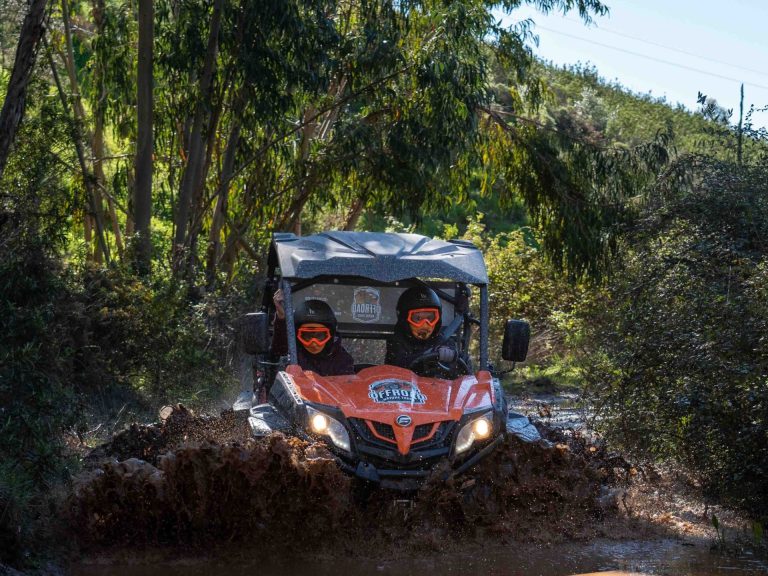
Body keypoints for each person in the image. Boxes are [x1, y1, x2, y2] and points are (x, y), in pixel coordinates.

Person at [385, 286, 470, 378]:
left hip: (438, 390)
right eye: (418, 318)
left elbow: (465, 372)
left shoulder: (445, 342)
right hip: (406, 390)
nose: (425, 324)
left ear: (438, 319)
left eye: (430, 318)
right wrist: (429, 354)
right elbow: (397, 366)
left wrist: (455, 358)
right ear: (405, 319)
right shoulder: (397, 342)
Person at [271, 290, 355, 376]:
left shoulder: (342, 359)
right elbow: (278, 350)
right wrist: (281, 317)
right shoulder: (293, 354)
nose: (314, 343)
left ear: (330, 336)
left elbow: (348, 385)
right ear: (297, 335)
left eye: (320, 336)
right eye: (307, 336)